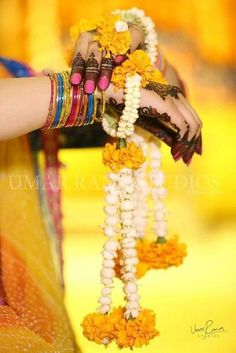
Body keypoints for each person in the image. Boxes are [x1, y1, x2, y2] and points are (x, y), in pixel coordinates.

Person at [0, 11, 202, 353]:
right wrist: (96, 96)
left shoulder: (14, 78)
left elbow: (171, 114)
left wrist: (130, 47)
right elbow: (104, 100)